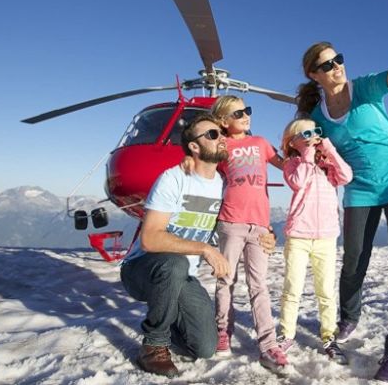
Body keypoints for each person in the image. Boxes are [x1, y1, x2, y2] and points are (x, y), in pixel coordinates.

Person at [294, 7, 388, 383]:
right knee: (354, 257)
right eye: (327, 64)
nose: (337, 67)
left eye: (339, 59)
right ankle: (349, 316)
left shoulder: (365, 87)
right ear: (314, 74)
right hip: (360, 187)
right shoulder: (318, 117)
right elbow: (304, 145)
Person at [119, 113, 275, 378]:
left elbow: (240, 221)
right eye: (213, 135)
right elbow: (150, 239)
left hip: (182, 276)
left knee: (204, 346)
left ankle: (167, 316)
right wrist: (204, 249)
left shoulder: (225, 186)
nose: (222, 139)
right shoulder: (173, 179)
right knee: (174, 262)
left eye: (222, 134)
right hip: (142, 270)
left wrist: (267, 233)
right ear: (194, 146)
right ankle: (154, 345)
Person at [205, 95, 287, 373]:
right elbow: (201, 169)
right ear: (224, 121)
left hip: (260, 227)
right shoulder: (221, 145)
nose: (245, 116)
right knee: (225, 279)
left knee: (259, 285)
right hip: (230, 222)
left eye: (247, 111)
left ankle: (268, 345)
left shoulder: (261, 143)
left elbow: (287, 166)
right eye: (238, 113)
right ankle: (222, 333)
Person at [277, 118, 352, 364]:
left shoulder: (326, 165)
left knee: (326, 291)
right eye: (306, 134)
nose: (313, 136)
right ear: (293, 141)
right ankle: (286, 334)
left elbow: (346, 176)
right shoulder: (292, 163)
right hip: (299, 236)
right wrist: (307, 154)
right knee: (293, 289)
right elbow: (298, 182)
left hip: (326, 237)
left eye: (316, 132)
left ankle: (329, 337)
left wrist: (328, 148)